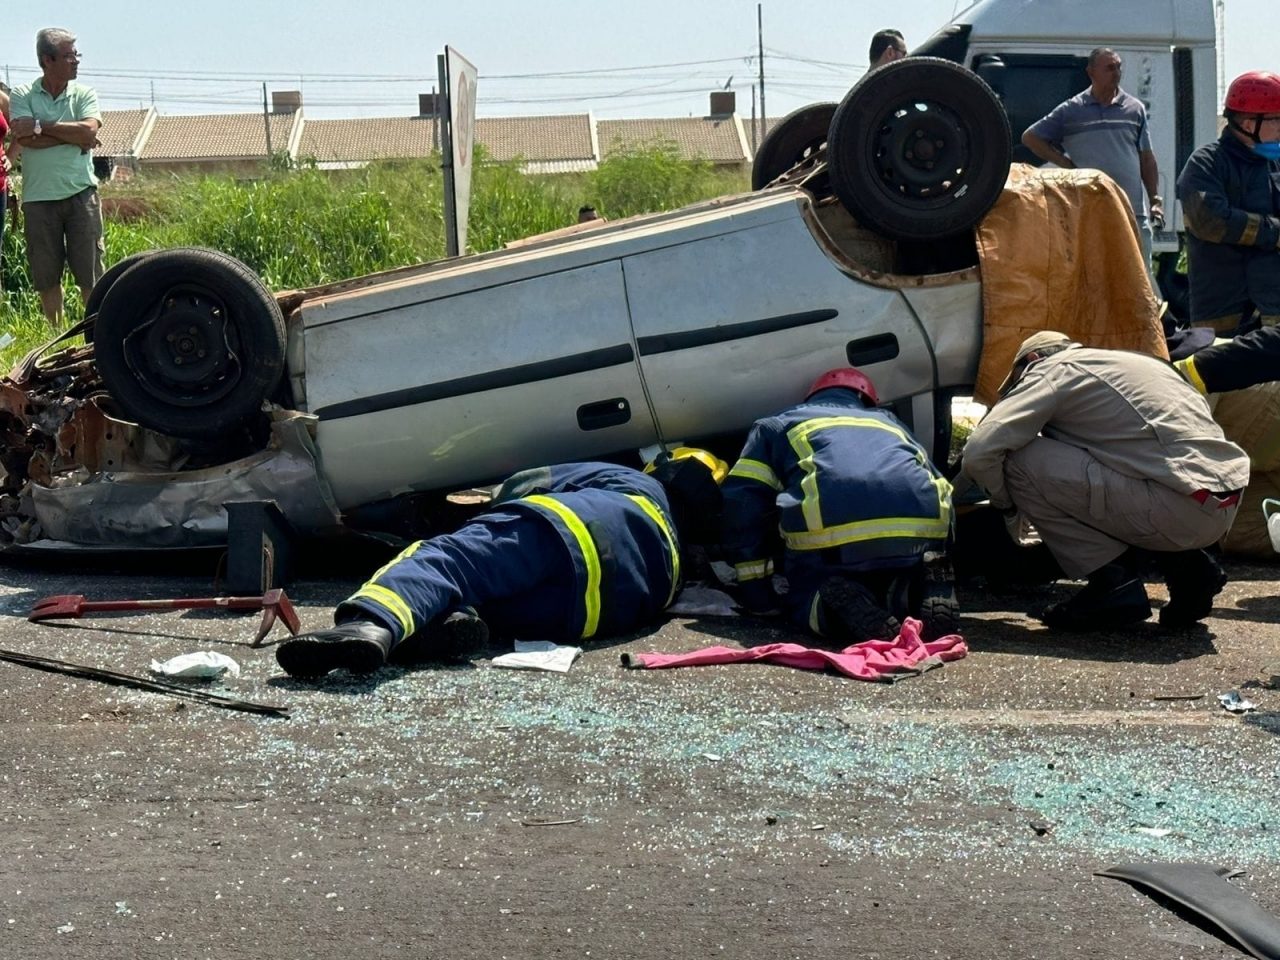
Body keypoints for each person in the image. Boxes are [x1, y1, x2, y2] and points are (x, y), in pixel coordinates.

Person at [275, 452, 726, 679]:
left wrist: (488, 515)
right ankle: (433, 631)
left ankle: (368, 624)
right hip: (578, 615)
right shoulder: (676, 564)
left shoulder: (631, 481)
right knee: (477, 603)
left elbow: (527, 484)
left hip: (562, 532)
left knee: (446, 562)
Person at [961, 332, 1250, 631]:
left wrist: (1007, 506)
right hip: (1221, 507)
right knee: (1133, 465)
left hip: (1172, 505)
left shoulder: (1053, 368)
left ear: (1032, 360)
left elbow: (980, 453)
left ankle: (1112, 584)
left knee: (1015, 460)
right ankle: (1190, 569)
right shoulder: (1137, 364)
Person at [719, 367, 956, 644]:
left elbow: (743, 501)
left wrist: (757, 594)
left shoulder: (777, 423)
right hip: (921, 531)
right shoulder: (890, 422)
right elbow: (937, 481)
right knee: (894, 577)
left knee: (806, 597)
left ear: (812, 397)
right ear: (867, 400)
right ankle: (915, 590)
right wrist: (944, 547)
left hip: (834, 539)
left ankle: (825, 606)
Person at [1022, 48, 1163, 285]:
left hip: (1132, 211)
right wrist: (1066, 165)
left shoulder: (1134, 109)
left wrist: (1155, 198)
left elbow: (1146, 158)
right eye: (1109, 68)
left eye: (1118, 67)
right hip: (1091, 213)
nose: (1116, 73)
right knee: (1095, 281)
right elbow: (1031, 137)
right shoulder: (1072, 110)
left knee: (1139, 280)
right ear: (1091, 72)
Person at [9, 28, 103, 325]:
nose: (76, 61)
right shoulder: (22, 94)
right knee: (47, 276)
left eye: (76, 55)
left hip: (81, 195)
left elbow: (88, 131)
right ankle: (55, 336)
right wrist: (71, 136)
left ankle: (95, 336)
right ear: (47, 60)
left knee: (91, 274)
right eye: (69, 55)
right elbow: (22, 137)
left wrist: (39, 127)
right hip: (38, 199)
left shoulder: (84, 93)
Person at [1175, 71, 1280, 336]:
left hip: (1272, 308)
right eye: (1276, 119)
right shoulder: (1206, 164)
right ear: (1248, 123)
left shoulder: (1274, 163)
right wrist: (1275, 231)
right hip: (1223, 313)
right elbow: (1211, 221)